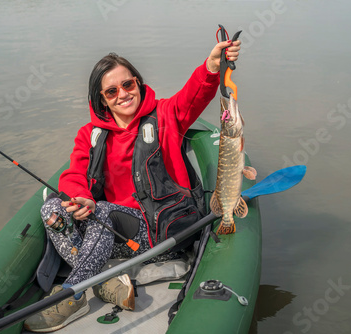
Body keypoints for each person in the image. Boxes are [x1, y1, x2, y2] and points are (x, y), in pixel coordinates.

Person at [24, 37, 241, 332]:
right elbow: (75, 174)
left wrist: (212, 65)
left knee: (102, 213)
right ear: (101, 99)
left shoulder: (166, 115)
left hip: (157, 234)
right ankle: (102, 281)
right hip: (111, 233)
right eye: (112, 91)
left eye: (128, 84)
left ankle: (72, 295)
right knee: (52, 209)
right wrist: (80, 198)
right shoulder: (89, 135)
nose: (123, 94)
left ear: (137, 82)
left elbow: (194, 96)